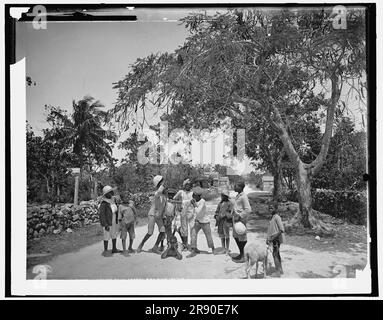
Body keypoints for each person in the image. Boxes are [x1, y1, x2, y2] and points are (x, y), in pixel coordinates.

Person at [136, 175, 167, 254]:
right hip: (152, 215)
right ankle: (141, 244)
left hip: (158, 216)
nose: (164, 184)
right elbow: (159, 191)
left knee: (162, 231)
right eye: (162, 182)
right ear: (159, 184)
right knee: (150, 233)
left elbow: (164, 207)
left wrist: (164, 216)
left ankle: (155, 247)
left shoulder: (164, 196)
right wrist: (162, 186)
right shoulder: (157, 194)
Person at [187, 187, 220, 258]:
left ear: (198, 196)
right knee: (193, 234)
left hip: (205, 221)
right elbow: (189, 208)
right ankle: (193, 249)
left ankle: (213, 249)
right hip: (197, 221)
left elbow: (198, 211)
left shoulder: (202, 201)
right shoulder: (194, 200)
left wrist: (194, 205)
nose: (192, 195)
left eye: (194, 194)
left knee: (208, 236)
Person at [231, 181, 252, 263]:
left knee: (242, 238)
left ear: (240, 187)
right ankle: (241, 254)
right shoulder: (238, 196)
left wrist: (240, 216)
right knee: (236, 236)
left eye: (236, 185)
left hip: (240, 220)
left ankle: (244, 256)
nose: (234, 187)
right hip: (235, 220)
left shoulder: (243, 196)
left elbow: (248, 209)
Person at [99, 185, 121, 257]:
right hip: (108, 222)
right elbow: (102, 215)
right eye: (109, 192)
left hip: (114, 219)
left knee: (114, 234)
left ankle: (114, 248)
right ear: (106, 194)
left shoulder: (112, 200)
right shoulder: (104, 203)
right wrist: (105, 225)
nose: (111, 193)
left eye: (111, 191)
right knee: (106, 235)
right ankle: (105, 250)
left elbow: (116, 208)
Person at [173, 179, 194, 250]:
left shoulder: (193, 192)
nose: (188, 186)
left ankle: (193, 245)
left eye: (189, 185)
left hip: (191, 213)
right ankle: (185, 244)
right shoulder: (181, 192)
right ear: (184, 185)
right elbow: (174, 199)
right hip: (183, 213)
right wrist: (178, 205)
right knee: (184, 230)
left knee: (192, 229)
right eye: (186, 185)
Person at [266, 202, 285, 277]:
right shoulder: (272, 217)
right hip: (273, 239)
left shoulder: (277, 217)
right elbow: (270, 229)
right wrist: (267, 238)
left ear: (276, 209)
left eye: (272, 208)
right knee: (277, 254)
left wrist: (273, 237)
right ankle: (280, 270)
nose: (270, 209)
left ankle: (278, 272)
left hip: (276, 239)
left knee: (275, 255)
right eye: (269, 208)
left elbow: (281, 230)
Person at [214, 189, 233, 254]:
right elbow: (216, 212)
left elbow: (231, 213)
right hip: (220, 222)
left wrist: (225, 215)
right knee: (222, 236)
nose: (222, 197)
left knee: (227, 235)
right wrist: (216, 216)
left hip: (226, 222)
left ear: (226, 196)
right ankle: (223, 248)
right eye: (221, 195)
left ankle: (227, 249)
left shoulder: (230, 204)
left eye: (223, 196)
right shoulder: (220, 204)